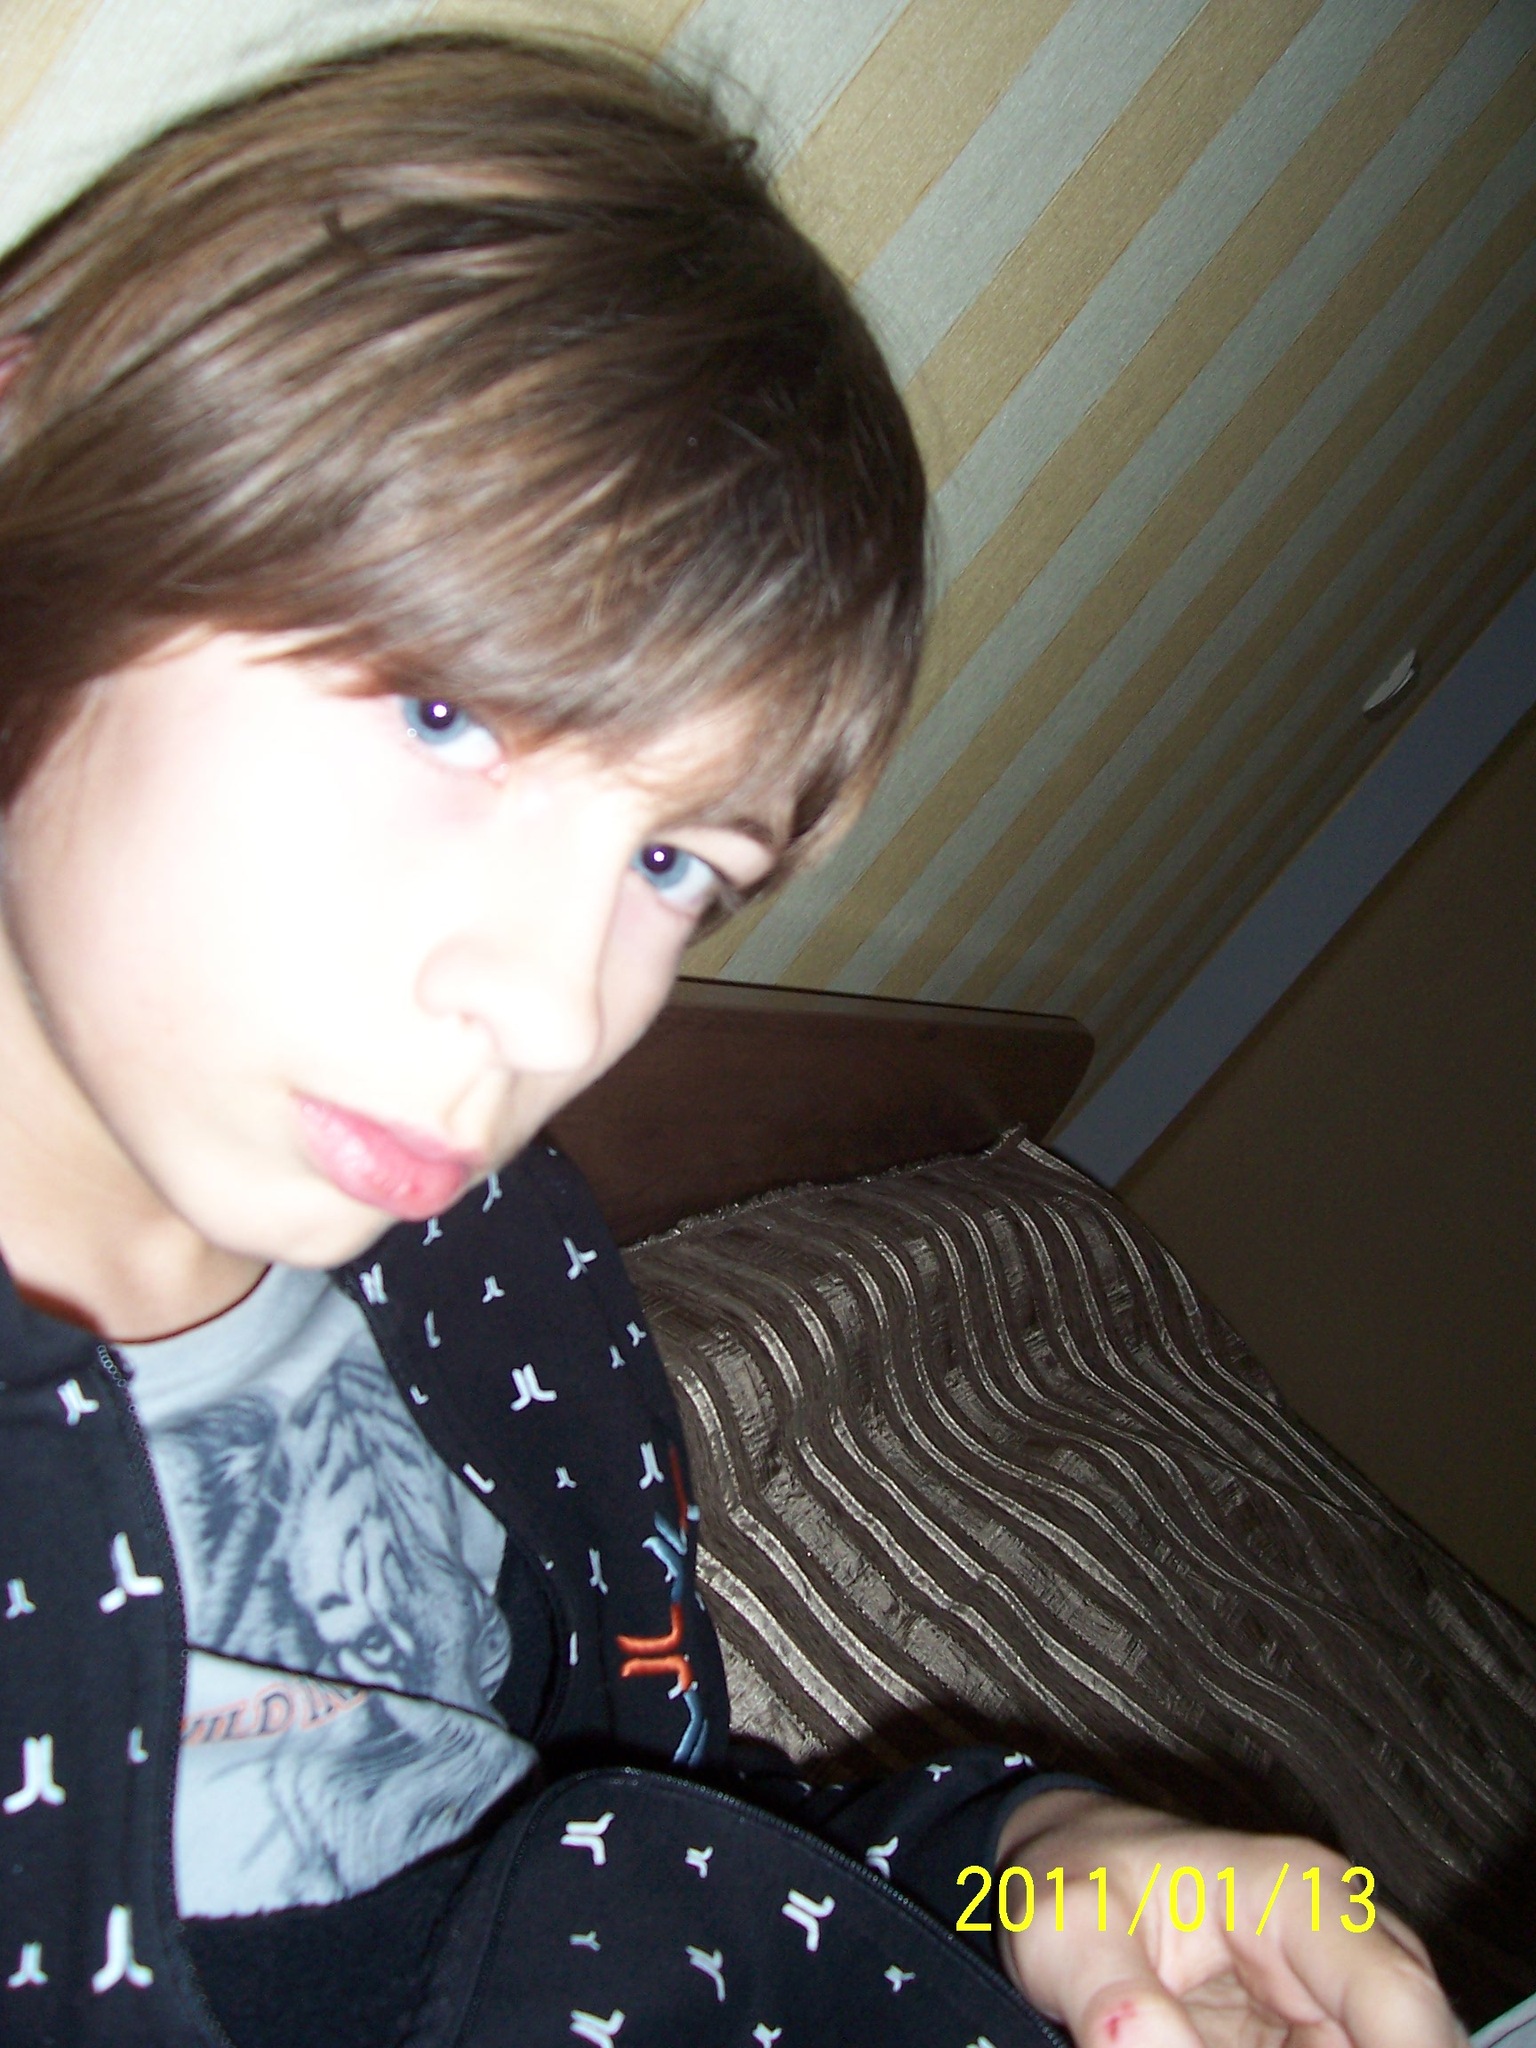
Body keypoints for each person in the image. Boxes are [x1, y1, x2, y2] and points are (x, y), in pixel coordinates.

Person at [0, 29, 1466, 2048]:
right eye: (448, 714)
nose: (567, 1004)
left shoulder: (487, 1263)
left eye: (675, 860)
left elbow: (650, 1829)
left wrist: (1029, 1856)